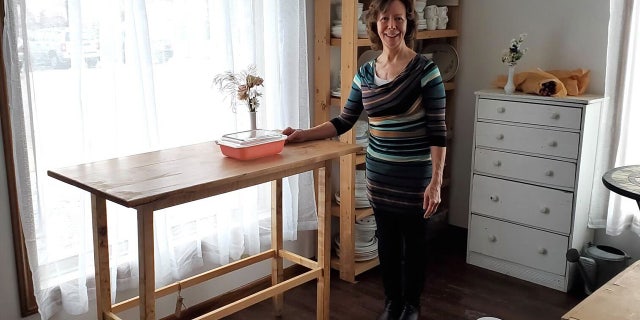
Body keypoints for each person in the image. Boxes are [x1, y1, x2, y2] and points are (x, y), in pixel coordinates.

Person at [283, 0, 446, 319]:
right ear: (375, 24)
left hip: (415, 179)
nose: (392, 26)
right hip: (379, 178)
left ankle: (411, 305)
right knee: (385, 244)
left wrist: (436, 181)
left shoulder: (426, 72)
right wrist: (303, 133)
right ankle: (392, 302)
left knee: (413, 246)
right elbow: (343, 121)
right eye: (385, 19)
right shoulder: (365, 74)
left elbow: (437, 131)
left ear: (409, 23)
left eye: (399, 19)